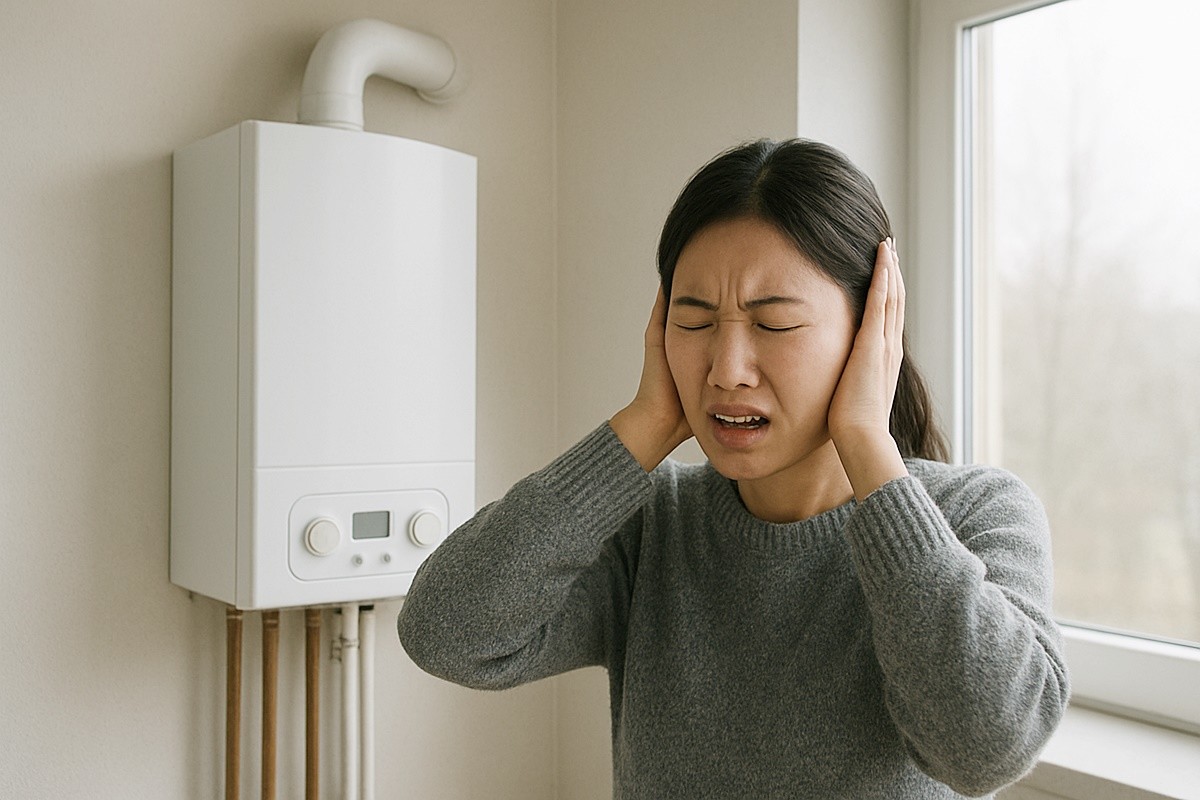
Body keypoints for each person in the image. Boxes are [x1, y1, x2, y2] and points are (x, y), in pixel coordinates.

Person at [397, 139, 1069, 799]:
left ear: (870, 331)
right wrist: (645, 425)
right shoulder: (652, 525)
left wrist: (866, 440)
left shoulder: (977, 512)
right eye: (693, 321)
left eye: (773, 324)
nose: (726, 369)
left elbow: (987, 748)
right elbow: (447, 633)